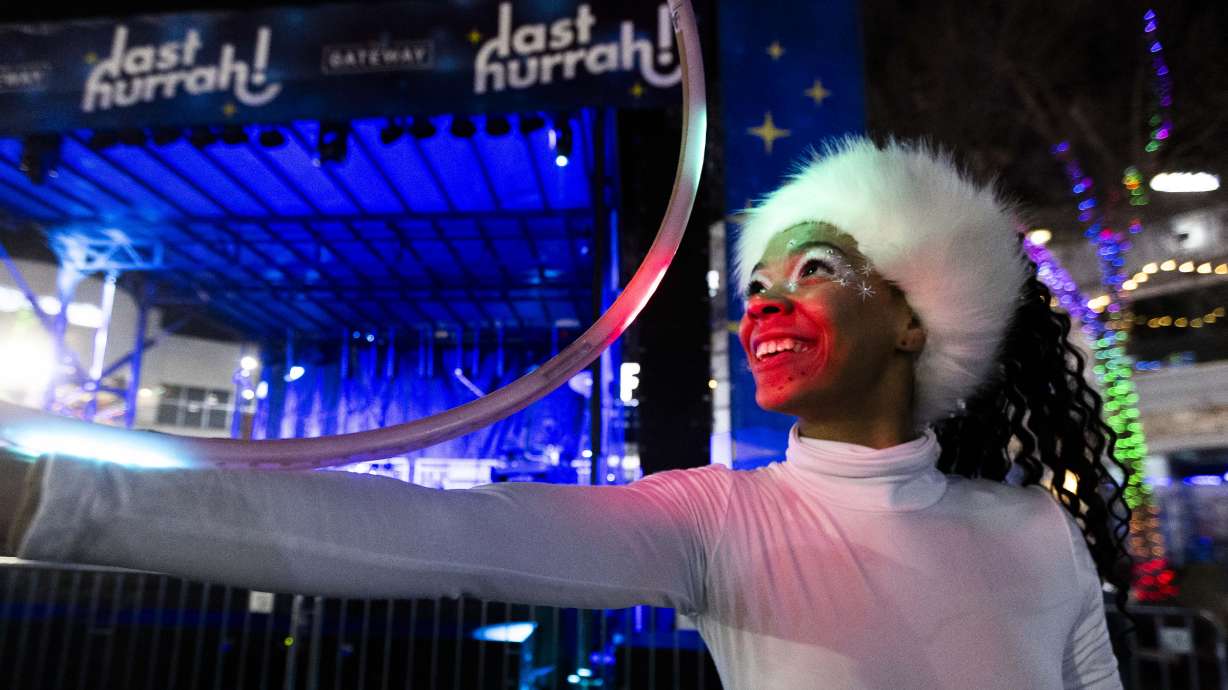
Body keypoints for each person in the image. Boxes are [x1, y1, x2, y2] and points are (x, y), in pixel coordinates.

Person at [0, 137, 1131, 689]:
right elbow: (434, 534)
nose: (767, 304)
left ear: (915, 315)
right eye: (755, 285)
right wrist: (52, 502)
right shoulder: (718, 524)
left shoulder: (1036, 532)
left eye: (817, 268)